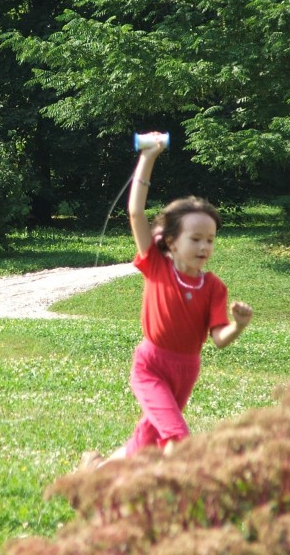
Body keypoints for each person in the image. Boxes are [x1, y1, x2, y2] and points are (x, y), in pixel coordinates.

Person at [81, 133, 253, 469]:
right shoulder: (156, 265)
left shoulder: (213, 287)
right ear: (172, 242)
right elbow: (135, 212)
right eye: (195, 239)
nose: (204, 246)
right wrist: (150, 155)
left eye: (210, 240)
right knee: (176, 438)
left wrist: (238, 326)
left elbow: (219, 339)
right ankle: (173, 499)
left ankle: (95, 473)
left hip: (186, 370)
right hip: (151, 366)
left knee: (146, 441)